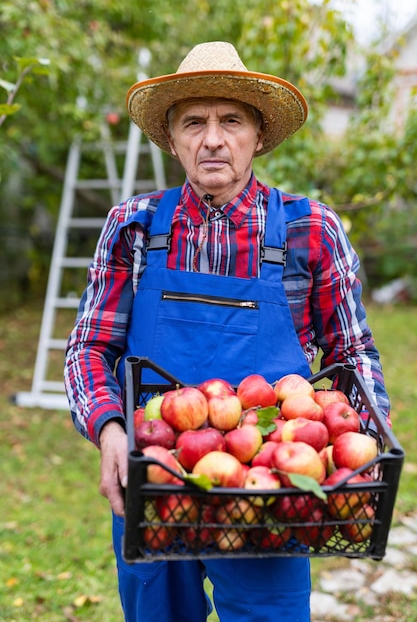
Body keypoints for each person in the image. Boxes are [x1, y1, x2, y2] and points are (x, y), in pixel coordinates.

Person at [64, 41, 390, 622]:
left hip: (272, 487)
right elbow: (90, 346)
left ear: (258, 136)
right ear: (173, 139)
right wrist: (111, 431)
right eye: (194, 122)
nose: (212, 139)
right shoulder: (134, 228)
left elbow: (352, 350)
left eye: (230, 121)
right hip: (157, 482)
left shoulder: (310, 231)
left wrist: (363, 449)